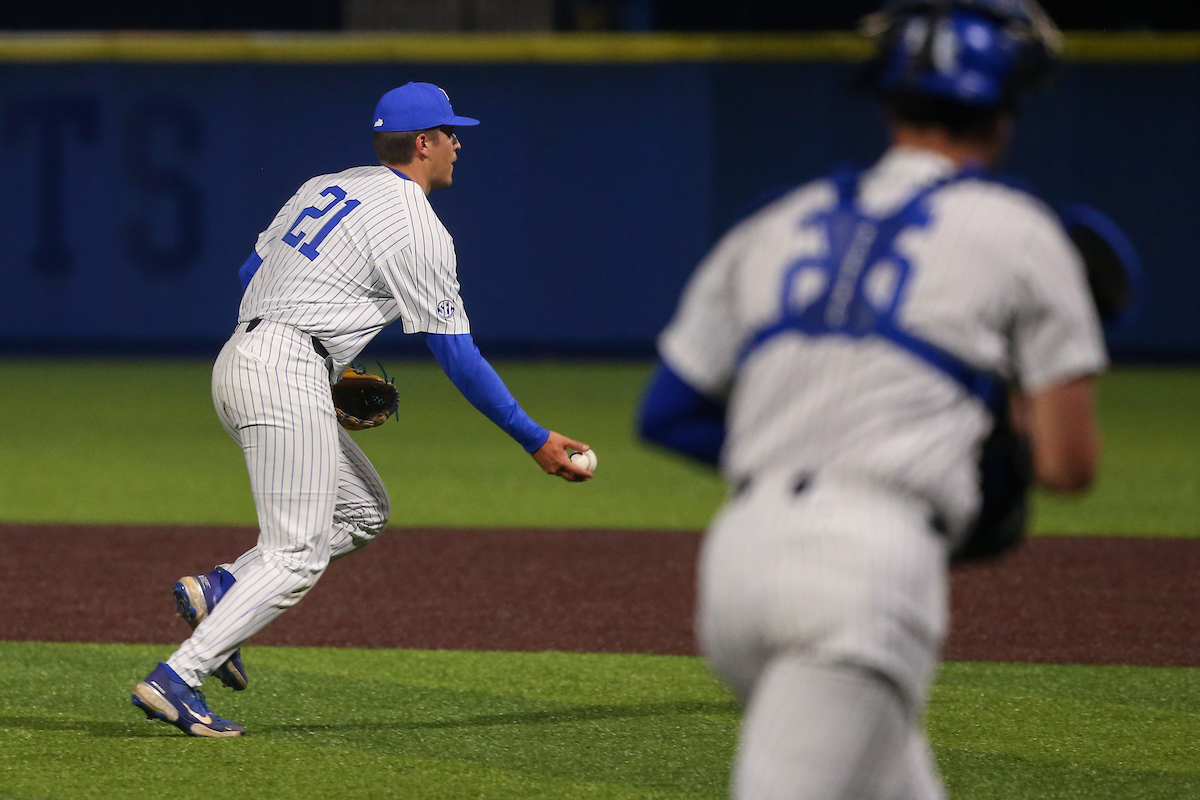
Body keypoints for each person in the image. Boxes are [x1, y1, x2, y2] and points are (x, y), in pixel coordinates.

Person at [638, 1, 1104, 797]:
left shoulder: (775, 221)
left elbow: (668, 412)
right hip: (869, 566)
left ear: (887, 104)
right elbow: (1066, 464)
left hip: (737, 564)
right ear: (1004, 115)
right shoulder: (1023, 230)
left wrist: (797, 445)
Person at [131, 81, 593, 737]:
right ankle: (178, 679)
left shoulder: (328, 184)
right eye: (452, 133)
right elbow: (458, 356)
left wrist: (330, 363)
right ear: (425, 143)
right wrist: (533, 437)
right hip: (282, 370)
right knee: (296, 556)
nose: (459, 145)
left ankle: (225, 591)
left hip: (241, 358)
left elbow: (247, 275)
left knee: (362, 510)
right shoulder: (415, 226)